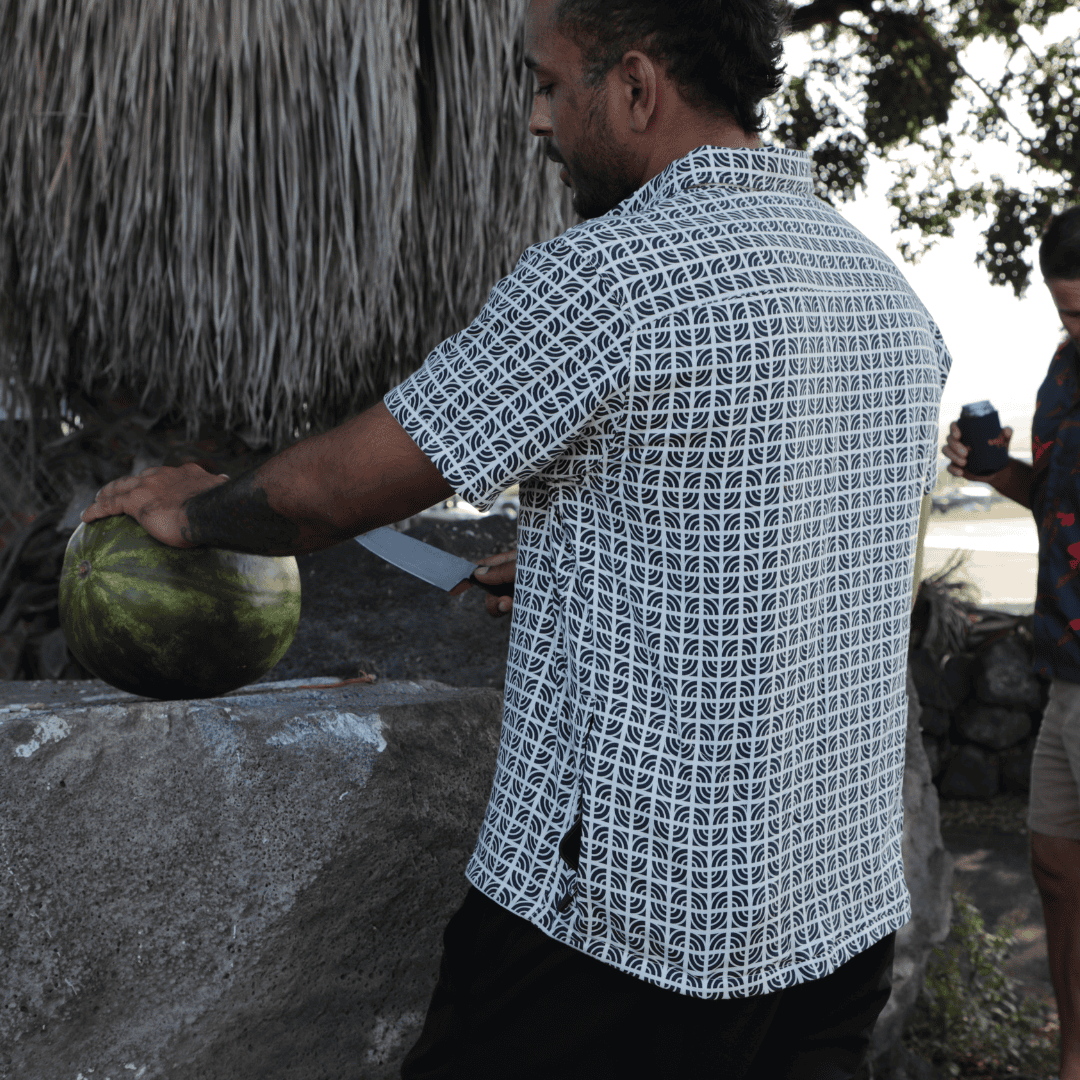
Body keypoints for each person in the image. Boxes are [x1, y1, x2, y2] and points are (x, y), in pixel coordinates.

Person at [82, 1, 952, 1076]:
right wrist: (591, 574)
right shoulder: (890, 298)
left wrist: (194, 508)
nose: (535, 121)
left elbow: (328, 497)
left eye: (549, 84)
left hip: (627, 923)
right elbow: (804, 544)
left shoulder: (613, 276)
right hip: (835, 919)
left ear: (635, 86)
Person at [944, 203, 1080, 1080]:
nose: (1076, 328)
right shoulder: (1064, 371)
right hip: (1063, 665)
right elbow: (1057, 497)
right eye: (1066, 311)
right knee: (1054, 868)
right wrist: (996, 471)